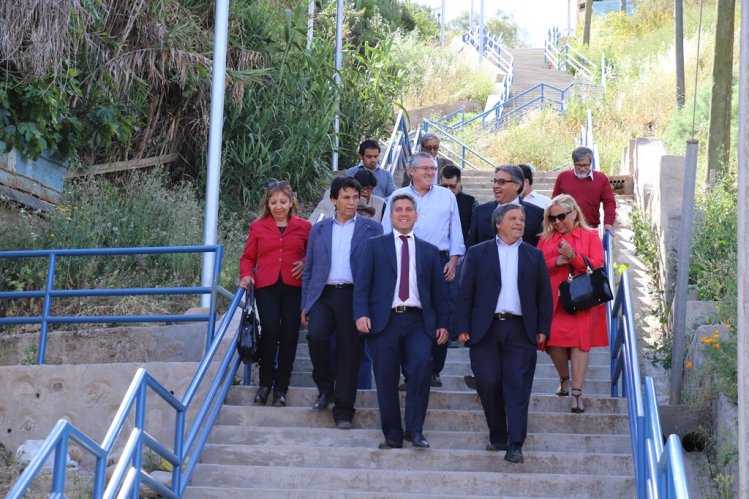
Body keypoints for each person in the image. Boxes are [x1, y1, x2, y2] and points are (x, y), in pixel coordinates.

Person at [456, 204, 552, 464]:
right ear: (498, 223)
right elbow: (465, 293)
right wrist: (462, 326)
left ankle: (515, 443)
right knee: (488, 381)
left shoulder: (534, 255)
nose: (519, 223)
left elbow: (544, 296)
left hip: (521, 330)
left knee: (518, 386)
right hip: (484, 329)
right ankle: (497, 433)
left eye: (521, 219)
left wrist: (543, 328)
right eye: (512, 218)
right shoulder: (477, 253)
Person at [354, 193, 450, 450]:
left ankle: (415, 431)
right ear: (391, 215)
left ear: (416, 216)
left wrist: (443, 323)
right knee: (385, 377)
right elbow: (362, 285)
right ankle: (393, 434)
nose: (404, 213)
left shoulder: (430, 251)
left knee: (421, 368)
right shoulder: (375, 246)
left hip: (419, 321)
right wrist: (361, 313)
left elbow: (439, 292)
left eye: (409, 209)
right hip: (384, 321)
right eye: (399, 209)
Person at [301, 176, 383, 429]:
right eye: (345, 197)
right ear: (334, 200)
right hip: (323, 296)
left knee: (350, 353)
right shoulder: (319, 229)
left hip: (354, 296)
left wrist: (371, 307)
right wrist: (306, 303)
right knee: (316, 337)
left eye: (355, 197)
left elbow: (377, 271)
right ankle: (325, 388)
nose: (351, 202)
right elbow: (309, 269)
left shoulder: (372, 229)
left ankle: (344, 410)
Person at [382, 152, 464, 387]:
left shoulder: (447, 196)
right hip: (403, 259)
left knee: (440, 313)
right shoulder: (398, 196)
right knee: (407, 315)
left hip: (439, 261)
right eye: (425, 169)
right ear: (411, 171)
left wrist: (454, 260)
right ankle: (408, 370)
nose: (430, 173)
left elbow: (456, 231)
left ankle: (434, 370)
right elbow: (386, 233)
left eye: (433, 169)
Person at [239, 181, 312, 407]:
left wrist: (305, 261)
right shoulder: (258, 227)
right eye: (273, 202)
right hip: (266, 286)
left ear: (291, 203)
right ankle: (265, 385)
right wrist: (246, 274)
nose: (278, 206)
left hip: (294, 286)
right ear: (267, 204)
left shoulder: (305, 226)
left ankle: (281, 388)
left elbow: (316, 254)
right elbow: (248, 258)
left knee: (290, 334)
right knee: (270, 331)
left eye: (283, 202)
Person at [537, 194, 608, 414]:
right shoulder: (545, 239)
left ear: (574, 213)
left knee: (580, 344)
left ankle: (577, 392)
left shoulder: (589, 236)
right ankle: (564, 378)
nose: (557, 222)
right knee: (553, 341)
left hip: (583, 298)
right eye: (552, 218)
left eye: (561, 216)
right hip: (554, 300)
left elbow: (597, 265)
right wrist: (555, 261)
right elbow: (534, 265)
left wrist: (573, 256)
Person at [466, 164, 544, 249]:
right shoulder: (481, 212)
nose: (495, 186)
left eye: (501, 182)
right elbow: (471, 248)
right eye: (495, 181)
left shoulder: (536, 214)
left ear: (517, 185)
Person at [551, 146, 616, 234]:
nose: (582, 168)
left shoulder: (601, 179)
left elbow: (609, 203)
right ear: (574, 163)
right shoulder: (563, 177)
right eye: (579, 165)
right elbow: (554, 201)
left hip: (590, 228)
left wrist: (608, 223)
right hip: (566, 229)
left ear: (591, 163)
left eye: (585, 165)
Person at [440, 164, 478, 244]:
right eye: (444, 186)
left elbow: (476, 230)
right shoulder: (432, 199)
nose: (448, 190)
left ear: (460, 181)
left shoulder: (471, 202)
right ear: (440, 181)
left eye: (452, 186)